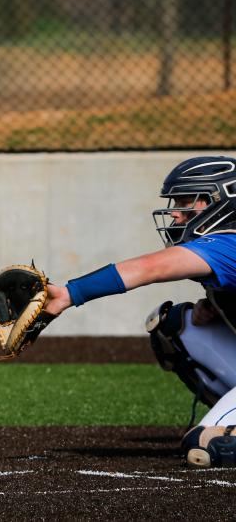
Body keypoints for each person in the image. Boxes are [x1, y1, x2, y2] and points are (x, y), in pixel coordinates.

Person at [43, 155, 236, 468]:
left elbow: (149, 268)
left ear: (222, 201)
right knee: (176, 325)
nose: (175, 211)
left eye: (187, 201)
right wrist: (214, 304)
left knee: (208, 445)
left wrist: (69, 294)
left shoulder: (227, 244)